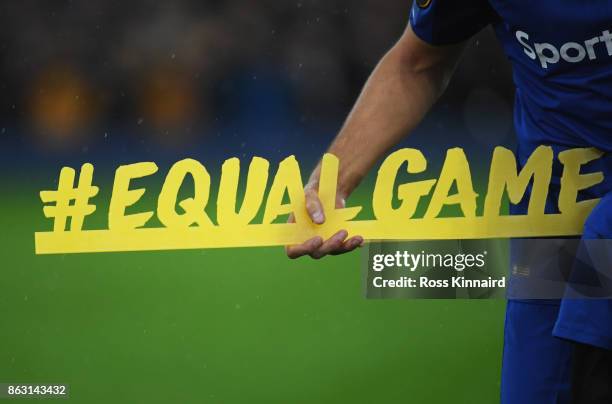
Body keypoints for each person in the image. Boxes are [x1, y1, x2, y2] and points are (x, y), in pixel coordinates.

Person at [285, 1, 612, 403]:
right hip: (551, 213)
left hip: (601, 226)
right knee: (535, 391)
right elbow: (418, 62)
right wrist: (331, 183)